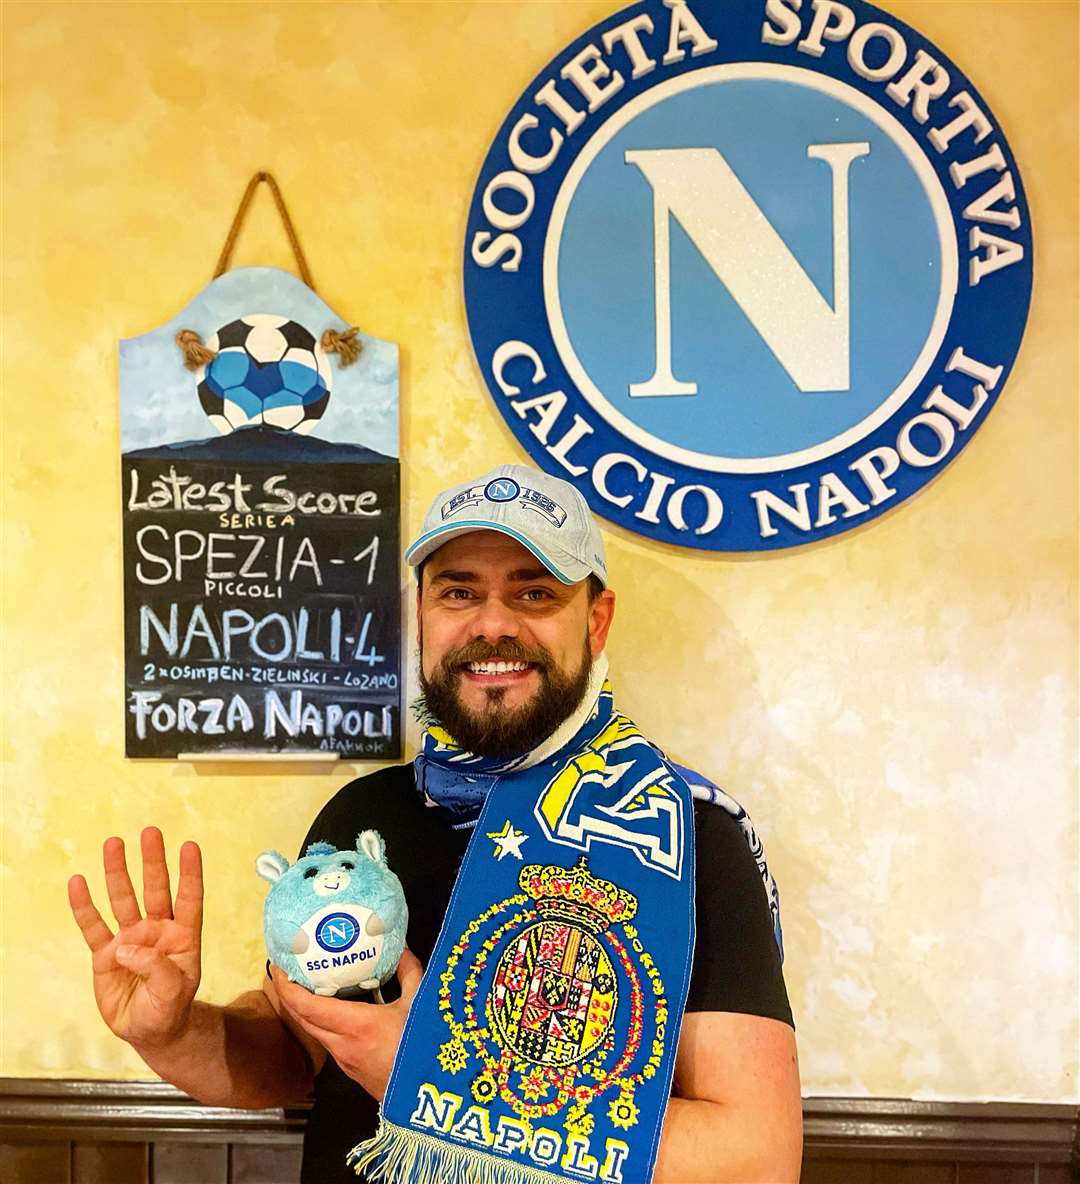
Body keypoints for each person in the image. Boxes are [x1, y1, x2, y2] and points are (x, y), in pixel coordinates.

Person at [69, 464, 802, 1183]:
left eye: (535, 591)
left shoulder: (685, 834)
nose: (492, 623)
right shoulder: (363, 820)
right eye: (459, 591)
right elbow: (299, 1056)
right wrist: (174, 1032)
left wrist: (431, 1086)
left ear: (597, 619)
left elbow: (756, 1158)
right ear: (421, 613)